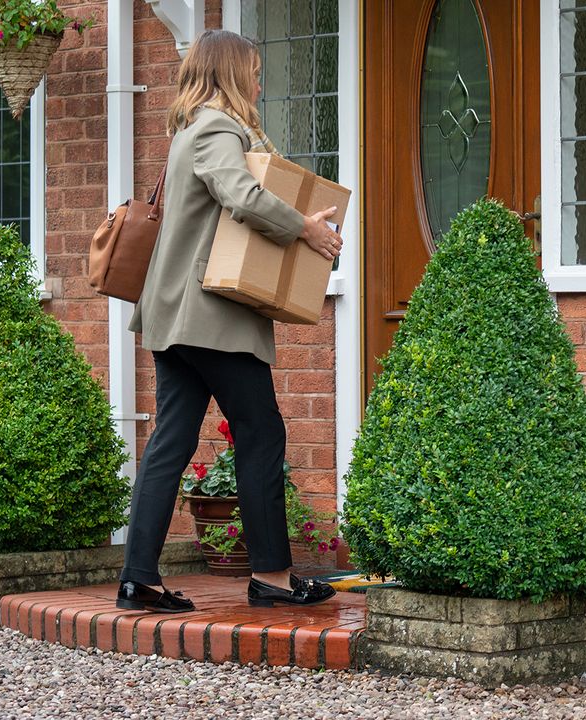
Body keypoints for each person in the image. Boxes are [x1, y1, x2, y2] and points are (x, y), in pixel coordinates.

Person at [116, 29, 340, 613]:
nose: (261, 82)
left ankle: (138, 578)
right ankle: (272, 577)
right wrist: (306, 229)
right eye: (255, 71)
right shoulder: (218, 126)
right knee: (261, 433)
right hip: (210, 315)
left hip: (175, 317)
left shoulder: (186, 128)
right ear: (232, 73)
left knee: (169, 442)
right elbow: (240, 194)